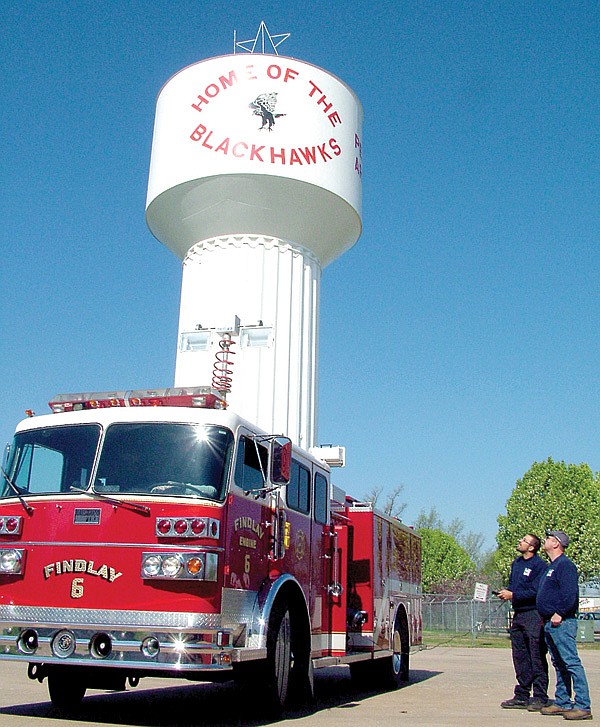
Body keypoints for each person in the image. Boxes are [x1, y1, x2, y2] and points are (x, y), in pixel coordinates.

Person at [536, 530, 592, 720]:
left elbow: (570, 594)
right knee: (559, 664)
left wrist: (560, 613)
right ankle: (562, 701)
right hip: (549, 623)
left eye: (549, 539)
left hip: (562, 622)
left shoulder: (565, 566)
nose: (545, 541)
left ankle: (583, 705)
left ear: (556, 544)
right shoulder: (551, 566)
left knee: (571, 662)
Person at [498, 534, 549, 711]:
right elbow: (515, 587)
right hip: (519, 614)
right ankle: (521, 695)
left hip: (534, 614)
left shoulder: (540, 566)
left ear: (532, 547)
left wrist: (514, 595)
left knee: (536, 654)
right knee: (520, 655)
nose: (520, 541)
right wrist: (507, 593)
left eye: (524, 541)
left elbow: (537, 591)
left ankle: (540, 696)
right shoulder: (517, 563)